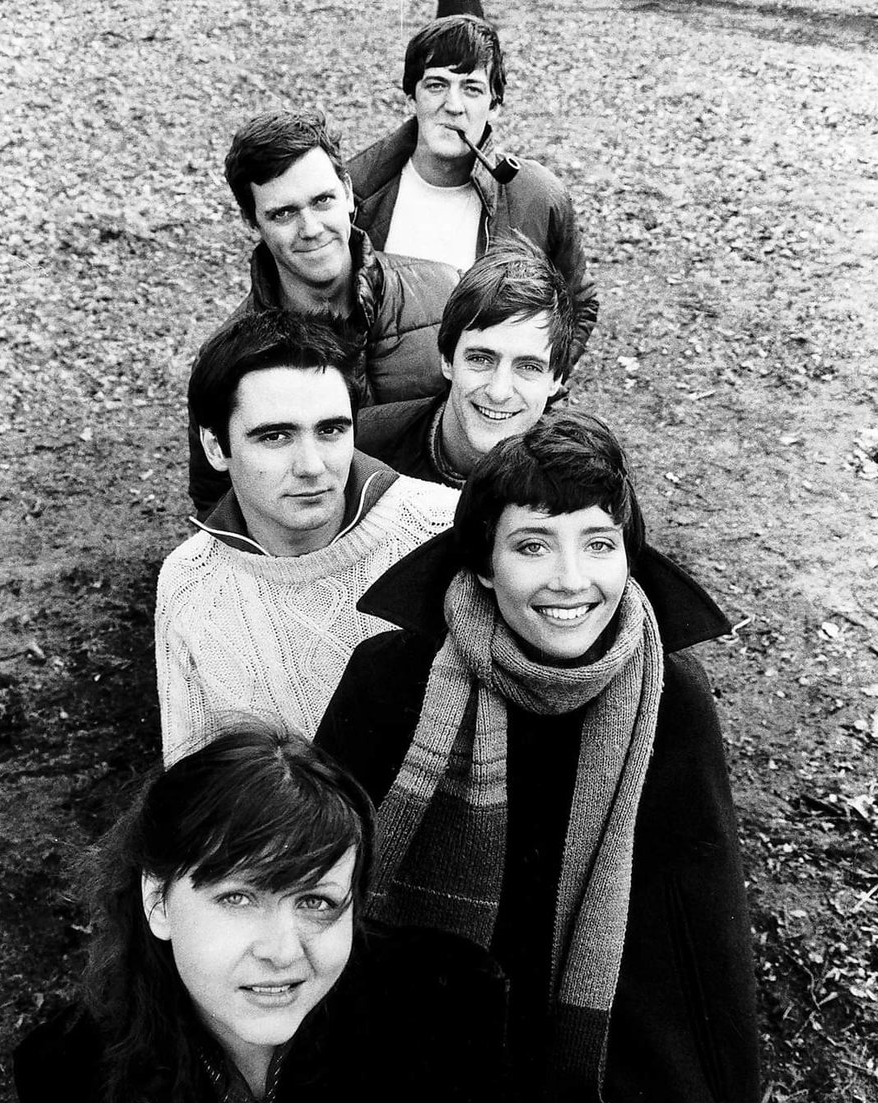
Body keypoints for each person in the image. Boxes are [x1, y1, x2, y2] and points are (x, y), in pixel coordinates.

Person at [316, 410, 791, 1103]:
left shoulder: (669, 703)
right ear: (480, 566)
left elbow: (703, 948)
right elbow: (323, 882)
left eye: (598, 544)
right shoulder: (393, 681)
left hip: (604, 1045)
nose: (571, 580)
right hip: (436, 1036)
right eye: (533, 545)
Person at [14, 720, 533, 1103]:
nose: (283, 951)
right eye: (238, 899)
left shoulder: (448, 1005)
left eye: (316, 902)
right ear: (158, 902)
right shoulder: (66, 1074)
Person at [157, 311, 457, 765]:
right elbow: (195, 786)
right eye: (276, 436)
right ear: (216, 447)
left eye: (331, 430)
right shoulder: (189, 582)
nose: (312, 466)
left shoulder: (445, 529)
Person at [189, 108, 459, 517]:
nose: (311, 227)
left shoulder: (445, 293)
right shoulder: (226, 361)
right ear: (252, 222)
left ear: (348, 193)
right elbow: (218, 504)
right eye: (284, 213)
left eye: (322, 200)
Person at [349, 15, 598, 370]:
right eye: (436, 85)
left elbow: (579, 300)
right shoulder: (355, 193)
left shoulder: (536, 195)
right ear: (411, 96)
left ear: (494, 104)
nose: (453, 105)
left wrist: (546, 380)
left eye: (471, 88)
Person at [357, 236, 571, 486]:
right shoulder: (360, 449)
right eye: (481, 359)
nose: (498, 392)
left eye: (528, 367)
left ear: (556, 379)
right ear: (447, 359)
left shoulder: (580, 485)